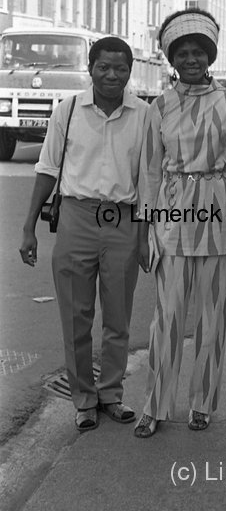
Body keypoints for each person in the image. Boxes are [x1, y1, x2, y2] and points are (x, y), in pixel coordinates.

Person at [134, 8, 226, 438]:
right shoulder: (157, 107)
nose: (191, 59)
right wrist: (144, 229)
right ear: (171, 59)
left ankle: (202, 403)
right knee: (168, 316)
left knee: (213, 318)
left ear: (210, 55)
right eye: (183, 53)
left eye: (199, 51)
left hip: (220, 216)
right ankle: (156, 405)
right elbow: (150, 172)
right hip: (172, 217)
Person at [20, 37, 149, 432]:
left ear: (130, 71)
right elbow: (46, 168)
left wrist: (143, 236)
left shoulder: (144, 115)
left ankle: (111, 394)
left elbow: (148, 179)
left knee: (117, 317)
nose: (111, 75)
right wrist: (28, 228)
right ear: (90, 67)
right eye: (103, 67)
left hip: (122, 221)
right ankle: (83, 399)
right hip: (75, 217)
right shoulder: (69, 110)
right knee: (75, 315)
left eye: (120, 68)